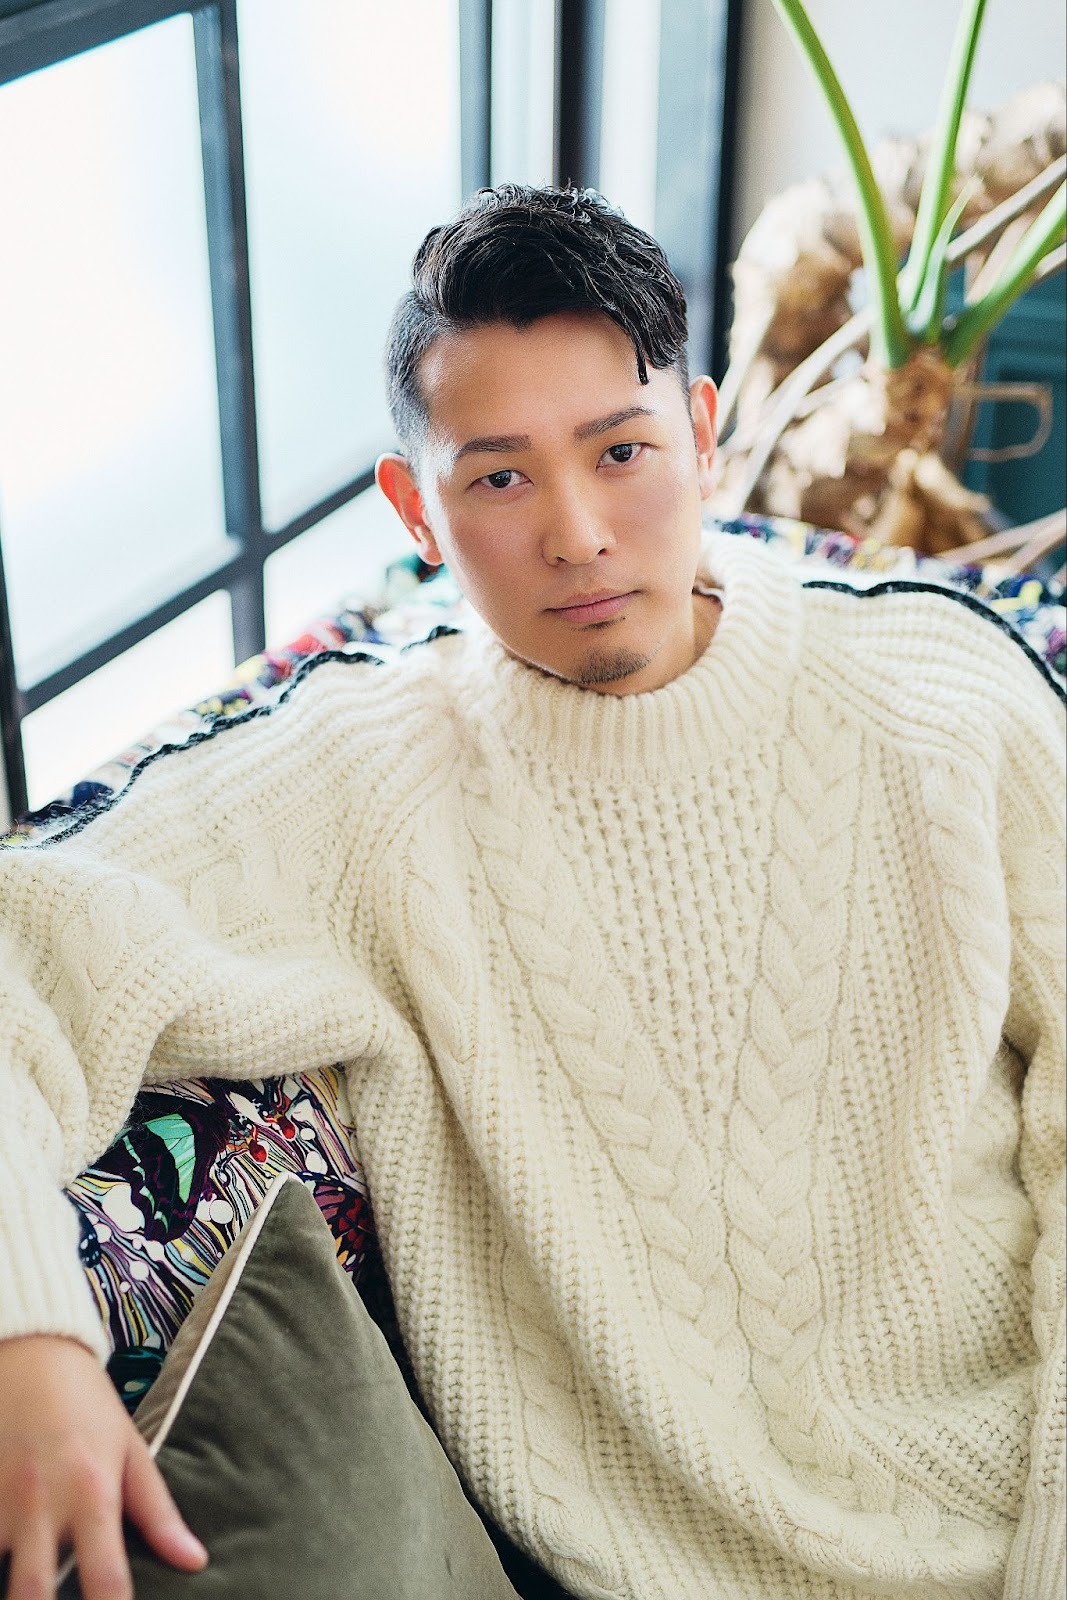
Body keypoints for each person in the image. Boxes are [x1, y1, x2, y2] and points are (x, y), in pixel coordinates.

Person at [0, 183, 1063, 1600]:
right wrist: (32, 1343)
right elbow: (23, 950)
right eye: (497, 477)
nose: (577, 533)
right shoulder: (358, 779)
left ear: (702, 430)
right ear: (415, 511)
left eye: (621, 450)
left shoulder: (948, 690)